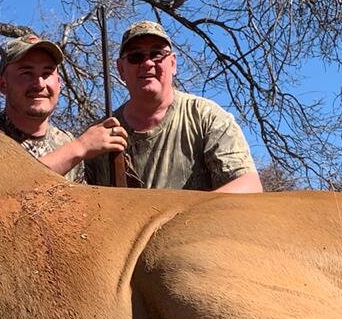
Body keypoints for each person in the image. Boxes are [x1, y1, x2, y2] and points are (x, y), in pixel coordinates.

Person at [85, 20, 263, 192]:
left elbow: (248, 185)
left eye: (157, 54)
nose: (147, 63)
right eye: (135, 57)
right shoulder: (98, 136)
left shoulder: (207, 117)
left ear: (173, 63)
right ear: (121, 69)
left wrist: (184, 217)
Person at [0, 33, 127, 181]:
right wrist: (80, 147)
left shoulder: (65, 141)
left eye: (47, 73)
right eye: (26, 73)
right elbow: (7, 191)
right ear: (2, 84)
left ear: (59, 83)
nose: (39, 84)